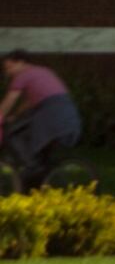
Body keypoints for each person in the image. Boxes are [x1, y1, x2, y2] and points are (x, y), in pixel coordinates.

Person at [0, 52, 80, 192]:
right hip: (66, 112)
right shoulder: (43, 71)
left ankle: (31, 166)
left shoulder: (23, 75)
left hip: (50, 112)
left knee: (12, 133)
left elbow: (10, 100)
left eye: (9, 67)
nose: (8, 72)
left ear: (21, 63)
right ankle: (37, 181)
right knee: (38, 147)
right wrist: (15, 116)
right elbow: (30, 102)